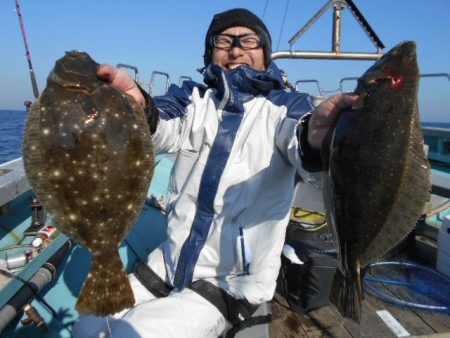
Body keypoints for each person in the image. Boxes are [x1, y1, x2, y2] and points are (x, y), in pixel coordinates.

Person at [73, 8, 356, 338]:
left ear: (265, 53)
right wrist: (140, 112)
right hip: (170, 260)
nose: (236, 49)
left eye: (248, 40)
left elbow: (300, 139)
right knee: (88, 322)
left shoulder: (287, 108)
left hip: (230, 282)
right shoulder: (193, 99)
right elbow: (162, 125)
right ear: (210, 52)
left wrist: (315, 139)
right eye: (224, 41)